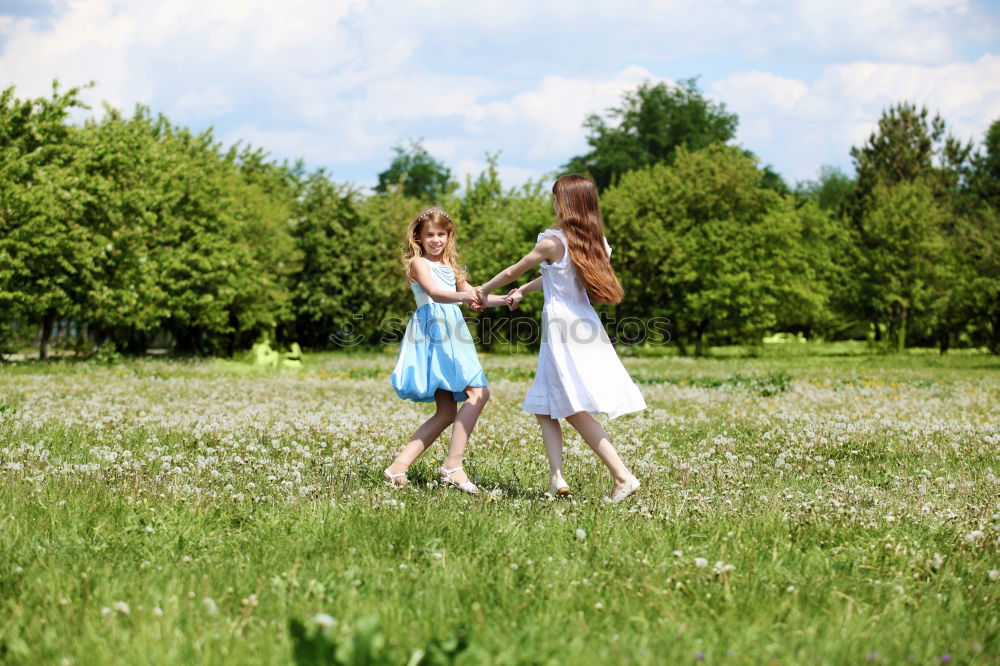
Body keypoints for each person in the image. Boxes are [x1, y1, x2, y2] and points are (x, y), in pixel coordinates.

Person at [474, 175, 645, 503]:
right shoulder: (596, 242)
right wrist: (524, 290)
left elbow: (513, 270)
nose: (553, 203)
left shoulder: (552, 241)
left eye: (556, 198)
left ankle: (622, 476)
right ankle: (557, 479)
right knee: (547, 404)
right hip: (584, 326)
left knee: (571, 406)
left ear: (564, 202)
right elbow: (554, 276)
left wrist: (483, 290)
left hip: (561, 330)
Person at [385, 207, 509, 494]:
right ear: (418, 237)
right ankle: (453, 466)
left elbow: (475, 297)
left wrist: (507, 299)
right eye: (430, 235)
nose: (436, 240)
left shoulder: (451, 268)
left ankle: (397, 468)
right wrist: (464, 295)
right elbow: (436, 293)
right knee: (478, 392)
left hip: (452, 331)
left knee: (445, 412)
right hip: (435, 331)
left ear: (449, 236)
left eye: (441, 234)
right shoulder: (419, 264)